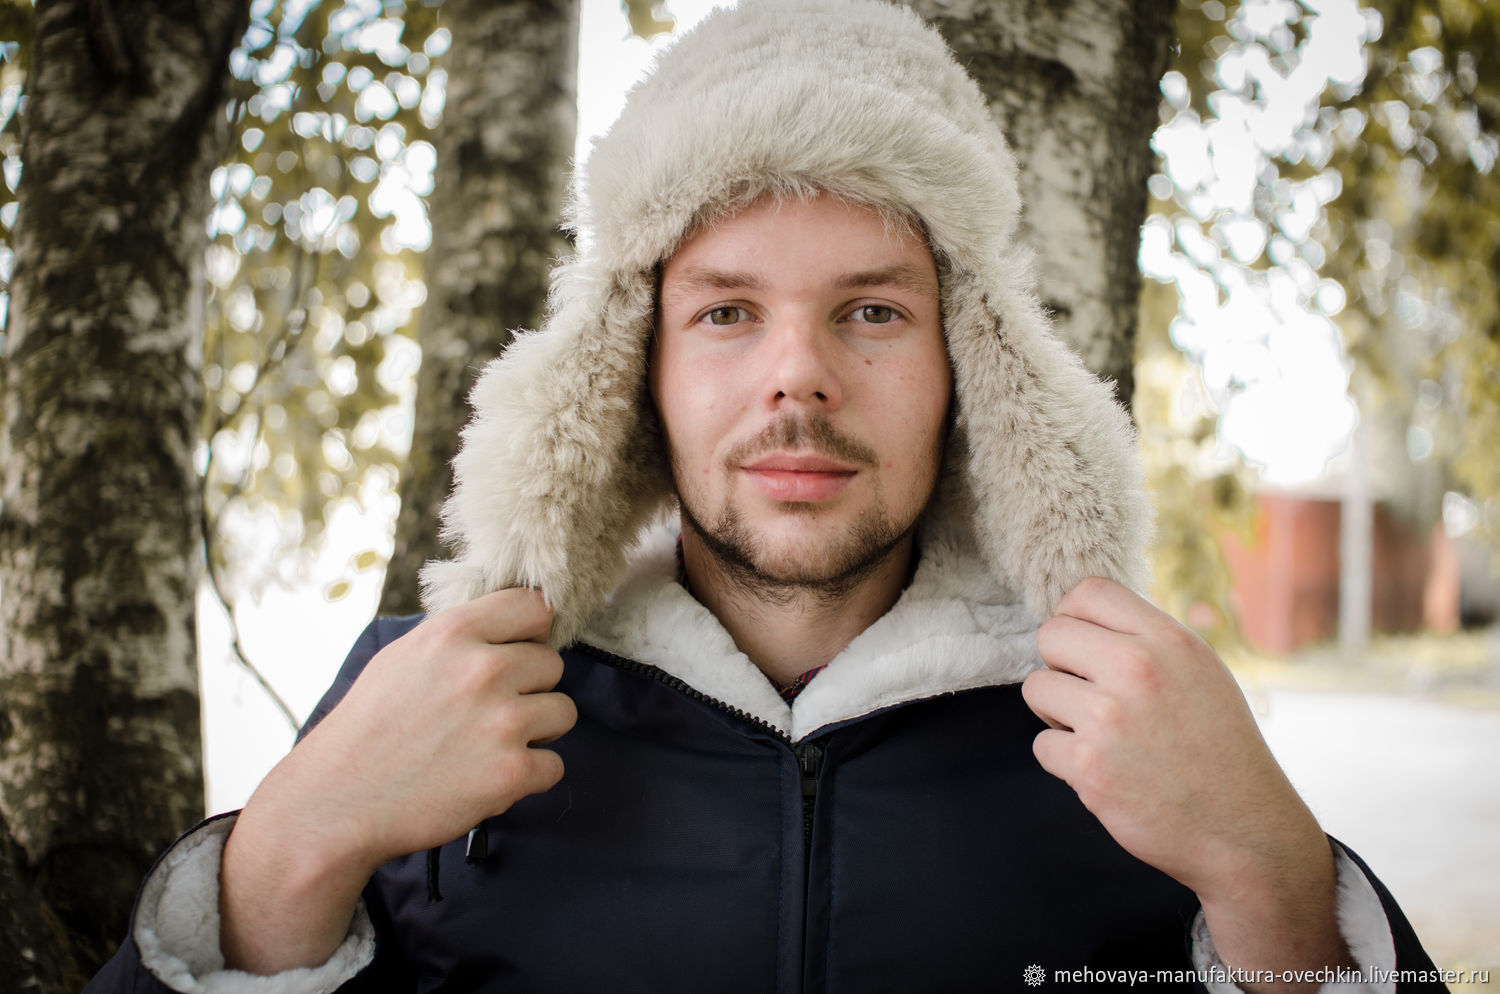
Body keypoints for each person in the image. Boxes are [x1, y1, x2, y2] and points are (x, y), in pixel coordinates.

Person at [89, 1, 1445, 991]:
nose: (797, 381)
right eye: (729, 312)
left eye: (869, 308)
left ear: (970, 363)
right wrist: (280, 860)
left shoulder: (1138, 737)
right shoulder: (417, 698)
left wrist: (1278, 884)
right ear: (633, 368)